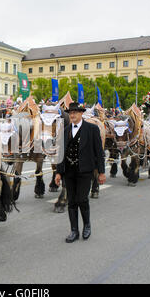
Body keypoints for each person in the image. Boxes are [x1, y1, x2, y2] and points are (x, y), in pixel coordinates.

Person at [55, 102, 106, 243]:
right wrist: (59, 173)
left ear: (81, 113)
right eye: (70, 113)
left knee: (82, 199)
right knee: (71, 201)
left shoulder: (92, 129)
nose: (72, 115)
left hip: (85, 170)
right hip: (69, 171)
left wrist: (101, 172)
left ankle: (87, 225)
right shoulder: (65, 131)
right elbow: (61, 153)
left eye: (75, 112)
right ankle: (74, 230)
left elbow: (99, 153)